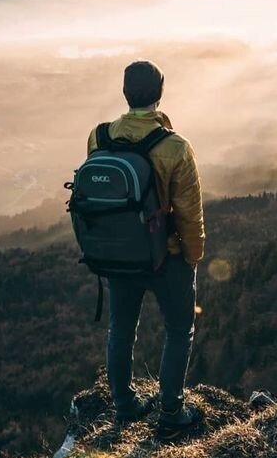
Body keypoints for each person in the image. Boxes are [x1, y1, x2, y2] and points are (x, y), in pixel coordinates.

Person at [86, 60, 205, 437]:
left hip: (118, 253)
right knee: (179, 328)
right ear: (160, 92)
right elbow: (189, 213)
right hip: (165, 254)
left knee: (120, 329)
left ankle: (124, 405)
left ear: (125, 93)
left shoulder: (99, 136)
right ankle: (171, 412)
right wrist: (193, 256)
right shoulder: (175, 147)